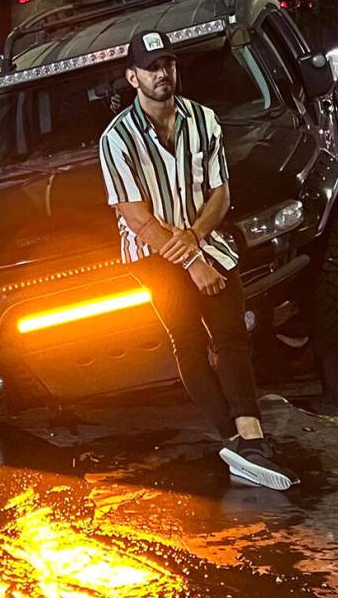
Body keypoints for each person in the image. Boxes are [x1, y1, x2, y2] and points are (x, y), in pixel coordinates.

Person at [98, 28, 300, 490]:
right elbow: (136, 216)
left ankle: (250, 439)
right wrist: (191, 263)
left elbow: (220, 193)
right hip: (150, 253)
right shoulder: (116, 138)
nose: (162, 74)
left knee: (232, 335)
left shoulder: (204, 119)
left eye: (167, 64)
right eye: (150, 68)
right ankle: (231, 438)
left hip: (204, 237)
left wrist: (195, 239)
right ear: (132, 77)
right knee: (188, 341)